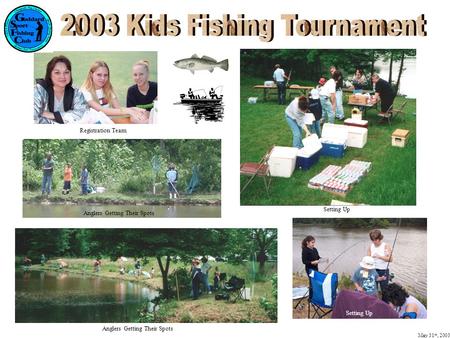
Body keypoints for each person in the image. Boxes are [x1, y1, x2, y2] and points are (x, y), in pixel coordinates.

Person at [81, 60, 147, 124]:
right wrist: (129, 111)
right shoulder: (85, 91)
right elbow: (102, 110)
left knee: (141, 116)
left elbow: (118, 108)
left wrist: (134, 109)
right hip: (96, 124)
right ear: (91, 74)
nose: (103, 78)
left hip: (110, 120)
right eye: (99, 75)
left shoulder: (107, 89)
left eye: (105, 75)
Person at [34, 55, 89, 124]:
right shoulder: (38, 90)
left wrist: (54, 115)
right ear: (49, 74)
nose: (62, 76)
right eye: (57, 73)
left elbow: (82, 115)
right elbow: (34, 119)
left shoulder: (76, 92)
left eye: (66, 72)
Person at [368, 229, 393, 294]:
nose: (374, 241)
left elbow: (391, 259)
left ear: (380, 238)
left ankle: (385, 303)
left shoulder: (386, 246)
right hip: (373, 270)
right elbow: (367, 260)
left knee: (384, 291)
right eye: (372, 240)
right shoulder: (370, 246)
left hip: (383, 271)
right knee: (372, 290)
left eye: (376, 239)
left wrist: (379, 257)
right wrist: (370, 258)